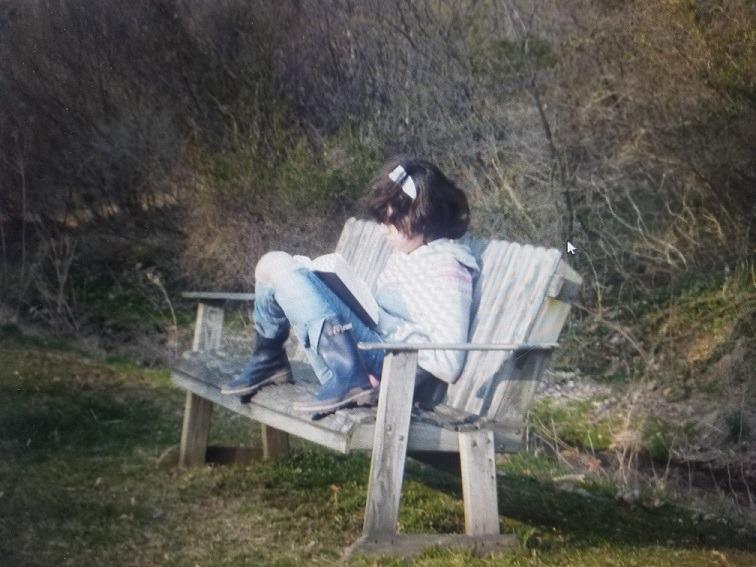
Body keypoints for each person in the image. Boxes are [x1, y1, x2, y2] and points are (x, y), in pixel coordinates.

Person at [220, 158, 479, 414]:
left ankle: (345, 377)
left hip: (390, 373)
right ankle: (269, 358)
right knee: (272, 262)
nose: (383, 229)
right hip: (361, 358)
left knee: (286, 272)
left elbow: (448, 361)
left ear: (423, 216)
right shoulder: (407, 256)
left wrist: (386, 325)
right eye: (382, 220)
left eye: (392, 221)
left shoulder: (448, 267)